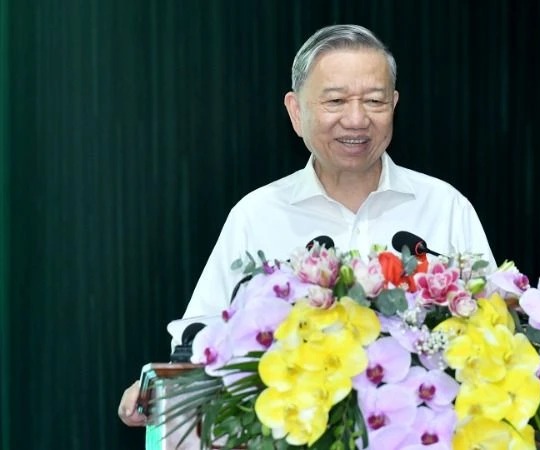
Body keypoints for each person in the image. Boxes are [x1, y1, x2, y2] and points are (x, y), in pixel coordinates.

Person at [118, 23, 495, 427]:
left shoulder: (444, 207)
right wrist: (163, 389)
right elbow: (200, 338)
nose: (356, 119)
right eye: (335, 100)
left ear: (394, 105)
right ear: (296, 112)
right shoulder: (257, 215)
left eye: (374, 101)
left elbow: (497, 329)